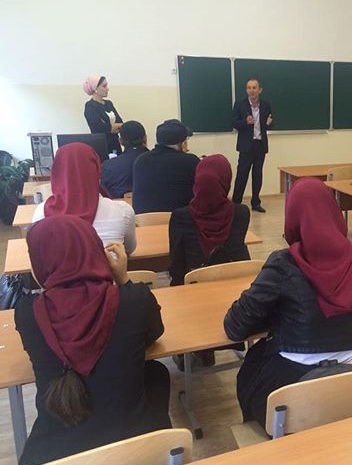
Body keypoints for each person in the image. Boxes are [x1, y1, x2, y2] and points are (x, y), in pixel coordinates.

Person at [15, 216, 170, 465]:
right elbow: (154, 334)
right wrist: (123, 278)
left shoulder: (28, 313)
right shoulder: (134, 299)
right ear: (94, 250)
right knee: (156, 372)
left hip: (56, 453)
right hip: (136, 449)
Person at [224, 178, 352, 429]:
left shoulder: (283, 264)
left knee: (252, 367)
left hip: (289, 392)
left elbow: (235, 327)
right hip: (351, 388)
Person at [32, 142, 136, 254]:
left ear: (56, 172)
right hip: (111, 266)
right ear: (98, 169)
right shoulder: (123, 212)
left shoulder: (41, 214)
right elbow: (129, 249)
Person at [169, 154, 250, 286]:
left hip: (194, 288)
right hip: (236, 286)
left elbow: (176, 267)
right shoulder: (241, 213)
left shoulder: (180, 217)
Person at [133, 119, 200, 214]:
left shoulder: (141, 160)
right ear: (183, 143)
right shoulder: (191, 161)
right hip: (179, 219)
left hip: (144, 220)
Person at [231, 79, 273, 213]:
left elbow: (269, 124)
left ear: (260, 90)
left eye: (254, 88)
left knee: (257, 174)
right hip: (246, 146)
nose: (252, 90)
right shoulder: (240, 104)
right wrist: (245, 122)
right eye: (249, 88)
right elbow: (234, 123)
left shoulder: (266, 105)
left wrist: (269, 124)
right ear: (246, 90)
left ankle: (255, 202)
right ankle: (236, 202)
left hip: (260, 144)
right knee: (242, 174)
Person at [100, 121, 149, 198]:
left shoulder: (108, 166)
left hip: (121, 204)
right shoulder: (159, 162)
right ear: (145, 138)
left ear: (120, 141)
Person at [83, 75, 123, 156]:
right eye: (104, 86)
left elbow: (121, 122)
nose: (107, 88)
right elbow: (99, 129)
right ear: (95, 89)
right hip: (102, 144)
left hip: (115, 143)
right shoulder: (90, 106)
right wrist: (112, 127)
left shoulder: (109, 103)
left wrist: (111, 127)